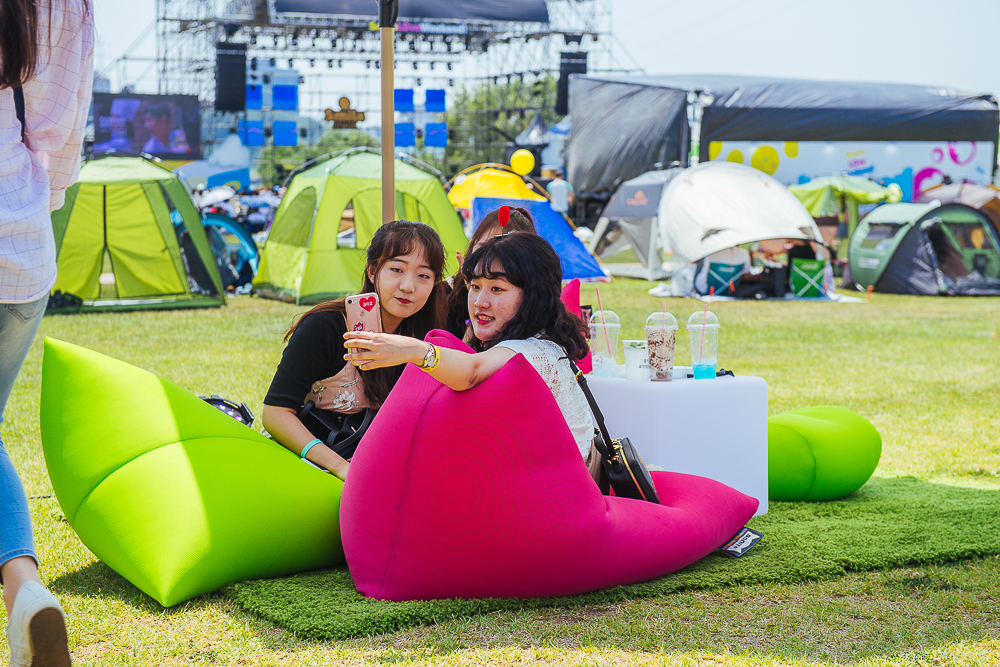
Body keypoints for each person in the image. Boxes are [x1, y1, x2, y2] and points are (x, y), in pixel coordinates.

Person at [345, 232, 604, 485]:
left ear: (533, 296)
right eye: (475, 287)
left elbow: (471, 372)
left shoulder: (534, 351)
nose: (480, 301)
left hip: (563, 492)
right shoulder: (518, 341)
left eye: (497, 289)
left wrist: (415, 351)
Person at [1, 0, 94, 663]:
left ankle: (23, 586)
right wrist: (34, 206)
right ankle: (24, 588)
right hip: (21, 251)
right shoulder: (69, 5)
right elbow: (60, 132)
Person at [262, 221, 447, 480]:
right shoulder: (325, 326)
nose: (408, 286)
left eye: (423, 275)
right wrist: (339, 467)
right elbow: (275, 413)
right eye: (396, 269)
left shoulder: (426, 341)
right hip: (306, 468)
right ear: (372, 271)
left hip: (377, 471)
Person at [444, 206, 537, 340]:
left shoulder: (535, 308)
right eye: (483, 248)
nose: (490, 258)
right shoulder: (445, 293)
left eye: (497, 289)